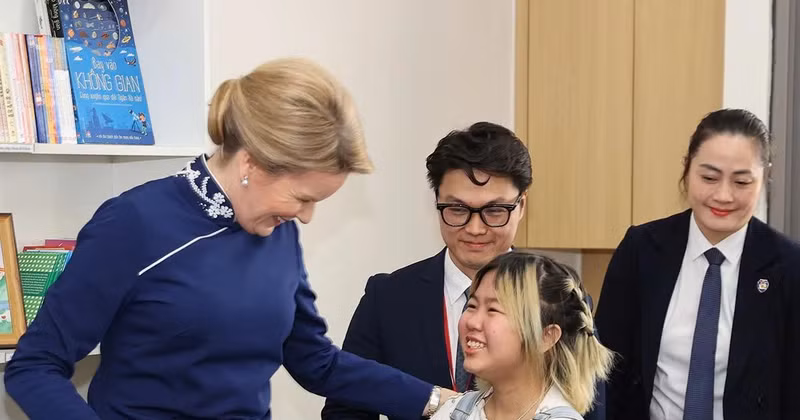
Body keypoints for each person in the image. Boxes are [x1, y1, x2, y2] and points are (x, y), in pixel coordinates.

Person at [4, 58, 454, 420]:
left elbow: (316, 361)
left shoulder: (277, 231)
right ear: (252, 164)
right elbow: (34, 366)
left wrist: (441, 404)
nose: (307, 217)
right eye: (301, 198)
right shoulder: (133, 223)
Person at [595, 108, 800, 420]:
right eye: (709, 177)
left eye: (742, 182)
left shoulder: (788, 266)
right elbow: (606, 367)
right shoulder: (642, 249)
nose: (723, 195)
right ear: (686, 169)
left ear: (765, 178)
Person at [321, 122, 532, 419]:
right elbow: (346, 410)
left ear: (521, 205)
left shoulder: (557, 298)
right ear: (437, 203)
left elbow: (585, 408)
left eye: (494, 211)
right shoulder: (388, 298)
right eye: (457, 210)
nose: (475, 228)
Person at [431, 251, 613, 420]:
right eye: (472, 306)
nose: (472, 322)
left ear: (547, 337)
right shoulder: (452, 412)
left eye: (493, 309)